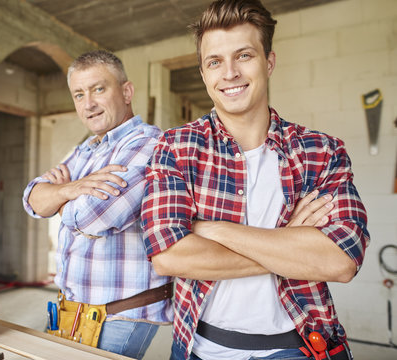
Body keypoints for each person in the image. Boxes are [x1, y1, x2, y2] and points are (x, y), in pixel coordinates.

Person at [141, 1, 370, 359]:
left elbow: (341, 261)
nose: (229, 73)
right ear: (204, 73)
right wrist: (292, 246)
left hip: (302, 347)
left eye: (243, 55)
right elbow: (168, 257)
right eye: (214, 61)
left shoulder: (321, 151)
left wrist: (211, 229)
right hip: (202, 349)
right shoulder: (177, 147)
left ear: (269, 62)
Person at [22, 50, 172, 359]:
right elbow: (32, 199)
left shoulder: (148, 143)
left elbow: (93, 218)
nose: (88, 103)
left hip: (121, 314)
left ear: (126, 92)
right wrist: (73, 190)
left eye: (98, 89)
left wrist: (60, 194)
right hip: (75, 309)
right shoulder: (86, 149)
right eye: (79, 94)